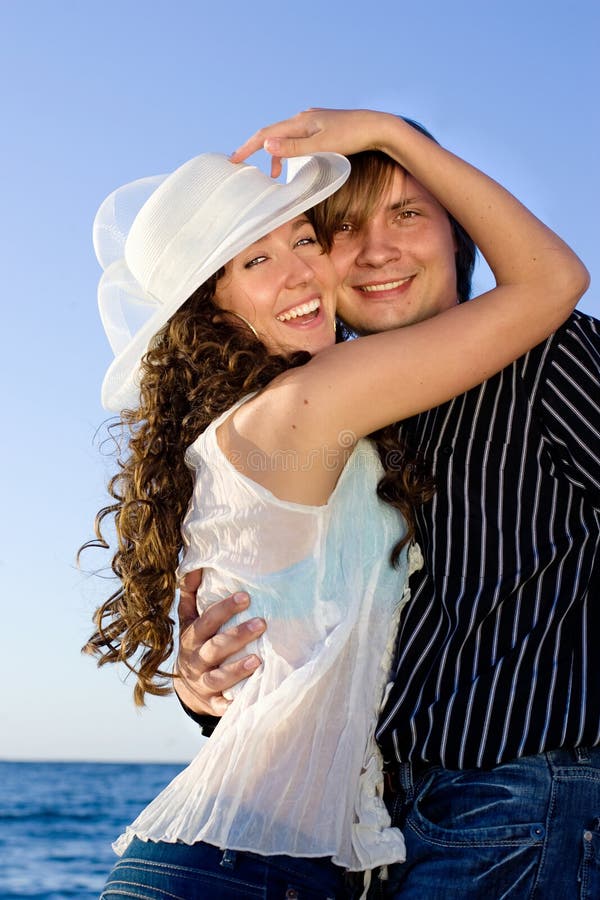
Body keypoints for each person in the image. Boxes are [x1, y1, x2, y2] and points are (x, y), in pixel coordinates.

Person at [83, 110, 587, 900]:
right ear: (212, 308)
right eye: (258, 257)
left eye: (303, 241)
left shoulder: (527, 366)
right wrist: (198, 690)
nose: (310, 270)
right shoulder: (310, 408)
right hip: (267, 861)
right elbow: (552, 281)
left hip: (400, 836)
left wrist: (202, 684)